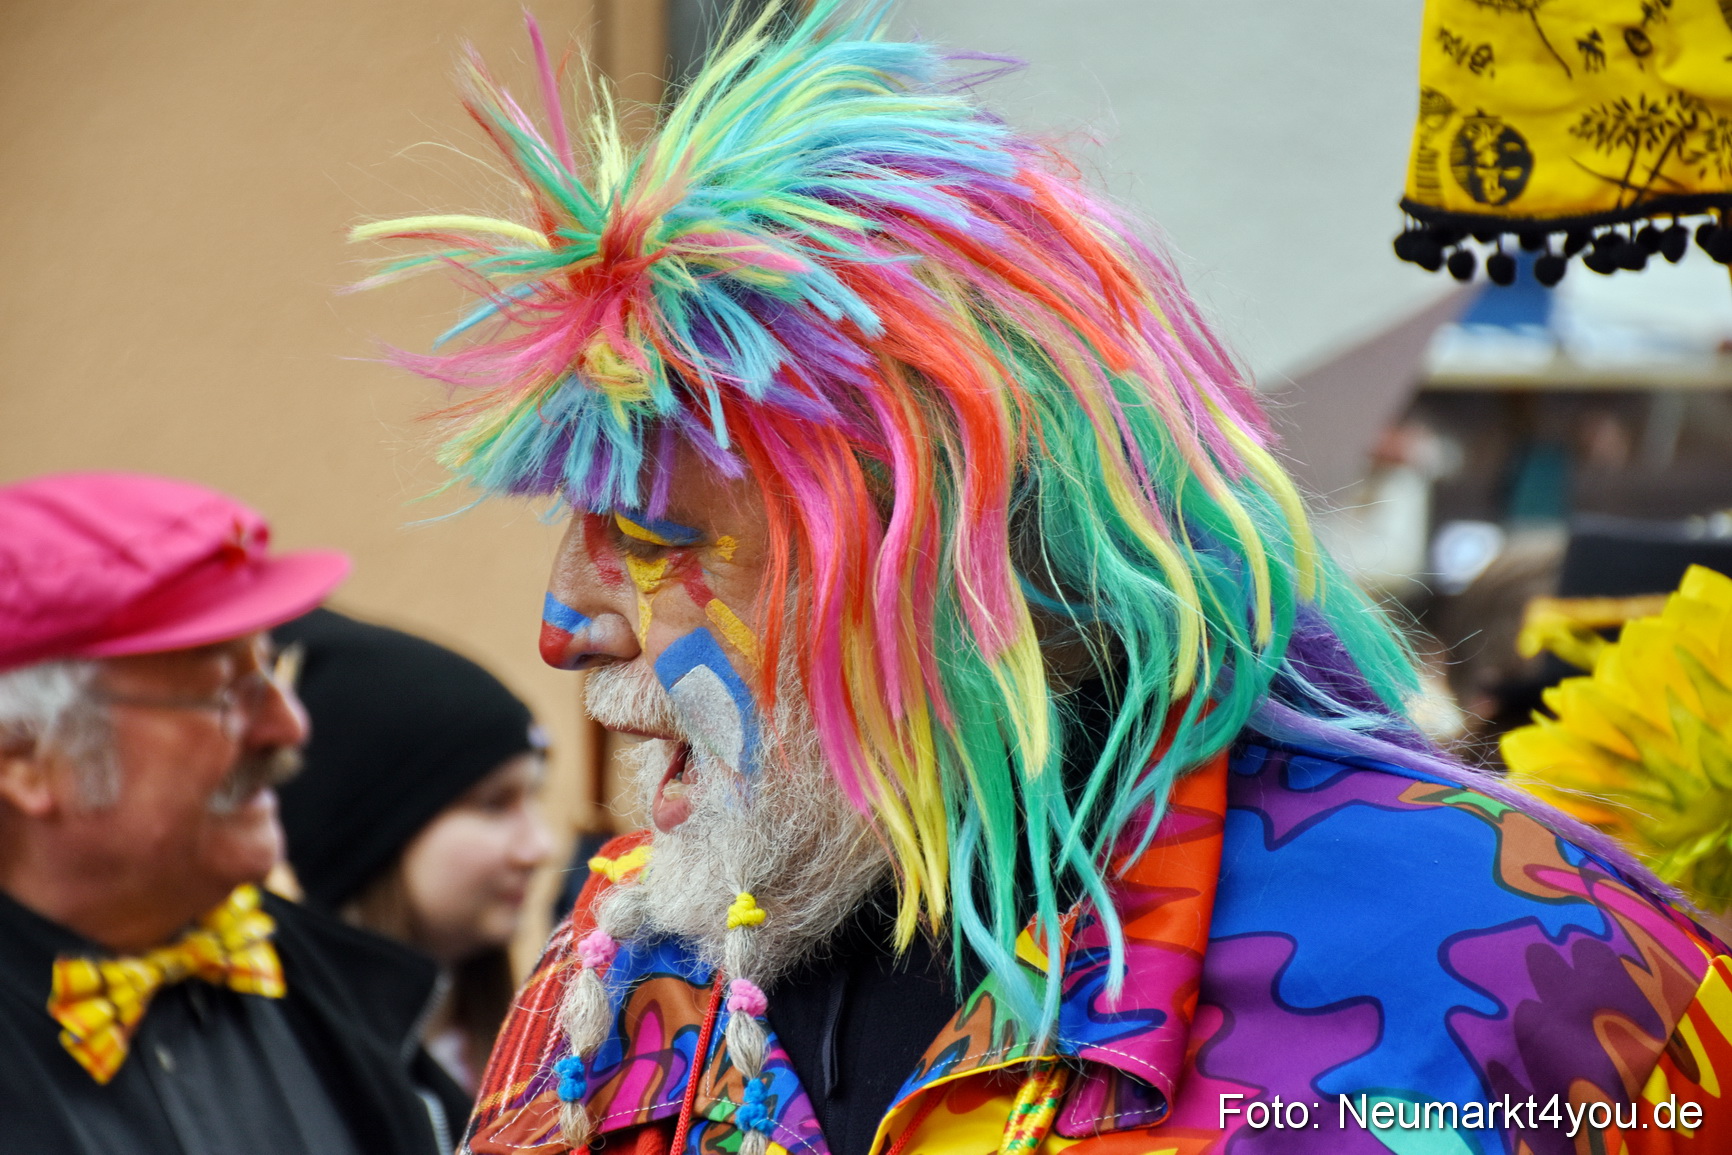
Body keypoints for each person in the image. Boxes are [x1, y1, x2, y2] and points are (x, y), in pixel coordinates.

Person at [352, 4, 1732, 1152]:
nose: (562, 626)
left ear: (969, 555)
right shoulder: (617, 985)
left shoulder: (1536, 965)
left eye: (658, 541)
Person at [0, 471, 465, 1155]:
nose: (289, 724)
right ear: (25, 756)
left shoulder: (334, 995)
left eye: (271, 673)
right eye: (224, 691)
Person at [271, 607, 556, 1095]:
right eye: (493, 805)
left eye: (532, 800)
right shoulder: (286, 1076)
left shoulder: (552, 1061)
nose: (539, 847)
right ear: (373, 832)